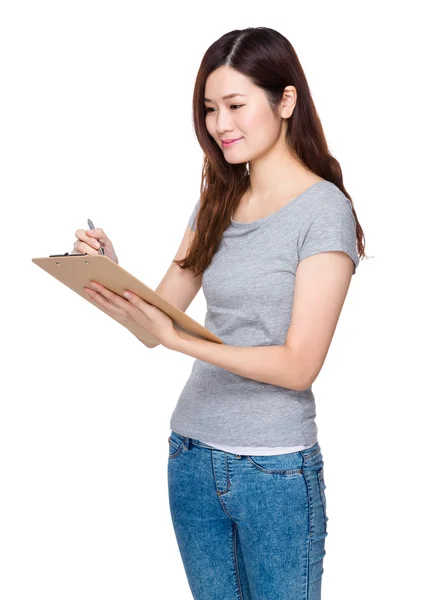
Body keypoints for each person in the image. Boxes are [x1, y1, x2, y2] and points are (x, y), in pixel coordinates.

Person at [73, 26, 367, 600]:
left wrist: (178, 339)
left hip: (274, 472)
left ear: (286, 102)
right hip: (191, 454)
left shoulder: (324, 213)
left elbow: (298, 365)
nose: (220, 124)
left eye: (235, 105)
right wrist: (108, 273)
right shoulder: (217, 199)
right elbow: (156, 320)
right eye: (210, 109)